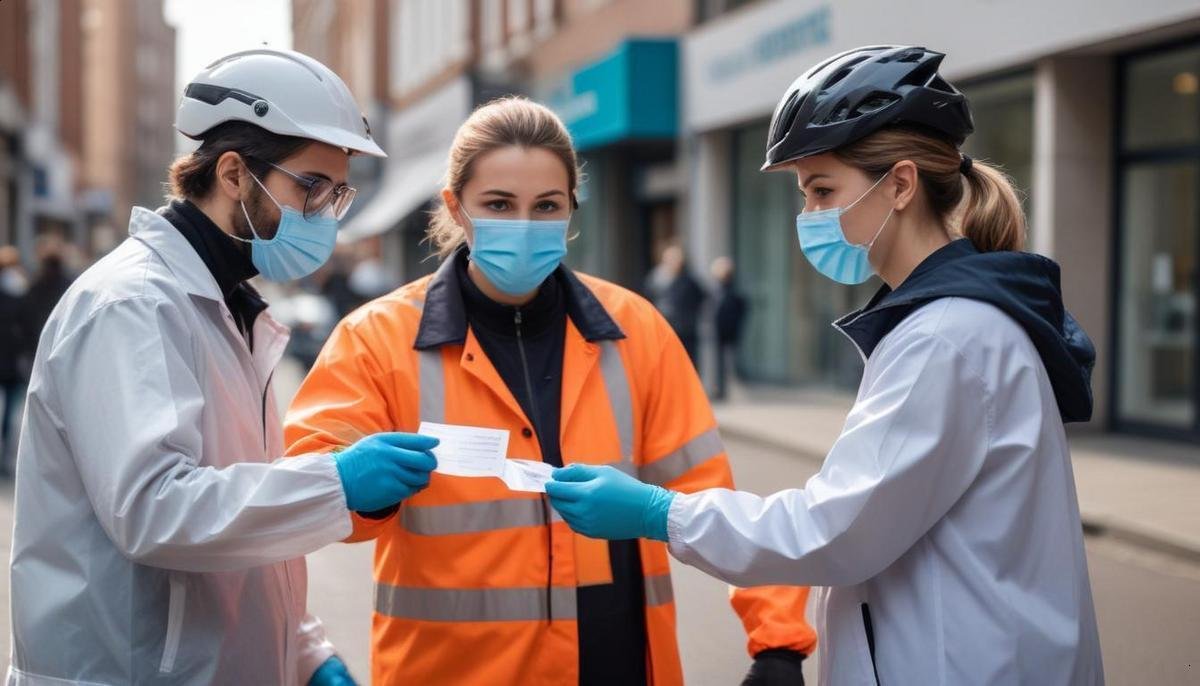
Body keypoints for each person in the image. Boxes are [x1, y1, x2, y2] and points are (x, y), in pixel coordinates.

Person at [545, 45, 1104, 685]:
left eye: (822, 190)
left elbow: (832, 531)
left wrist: (657, 512)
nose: (808, 215)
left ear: (899, 184)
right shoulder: (952, 322)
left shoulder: (945, 338)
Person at [284, 96, 815, 686]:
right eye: (499, 205)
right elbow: (304, 502)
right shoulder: (375, 341)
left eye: (546, 206)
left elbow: (712, 497)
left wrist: (778, 641)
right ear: (456, 208)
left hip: (619, 664)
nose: (524, 225)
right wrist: (361, 493)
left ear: (571, 212)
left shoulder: (636, 332)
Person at [7, 48, 441, 686]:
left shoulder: (229, 307)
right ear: (234, 173)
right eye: (310, 186)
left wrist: (304, 652)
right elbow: (156, 510)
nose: (324, 213)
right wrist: (335, 483)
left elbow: (242, 526)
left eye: (336, 192)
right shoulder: (132, 306)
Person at [644, 243, 706, 366]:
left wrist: (690, 316)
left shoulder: (689, 281)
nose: (674, 261)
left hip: (685, 331)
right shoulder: (654, 279)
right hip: (661, 329)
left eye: (677, 257)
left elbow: (701, 298)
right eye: (671, 258)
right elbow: (647, 300)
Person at [0, 245, 28, 474]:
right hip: (10, 362)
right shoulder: (17, 293)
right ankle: (5, 452)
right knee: (9, 411)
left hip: (8, 361)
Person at [710, 256, 747, 400]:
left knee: (731, 362)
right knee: (717, 363)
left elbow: (742, 308)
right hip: (718, 330)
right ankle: (720, 390)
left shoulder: (734, 290)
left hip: (731, 330)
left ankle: (733, 388)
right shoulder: (714, 289)